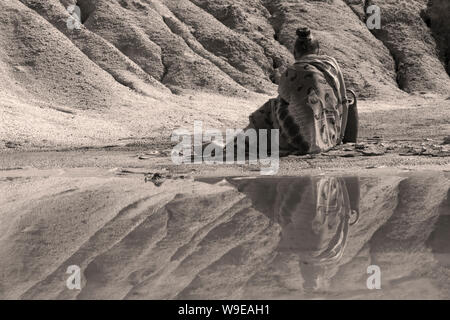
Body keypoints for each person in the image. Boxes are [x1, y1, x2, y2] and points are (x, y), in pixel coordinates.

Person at [246, 27, 358, 155]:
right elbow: (343, 100)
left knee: (272, 106)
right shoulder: (331, 63)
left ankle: (256, 141)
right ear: (318, 50)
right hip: (332, 136)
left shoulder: (291, 72)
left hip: (302, 140)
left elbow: (284, 99)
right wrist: (340, 135)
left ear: (294, 52)